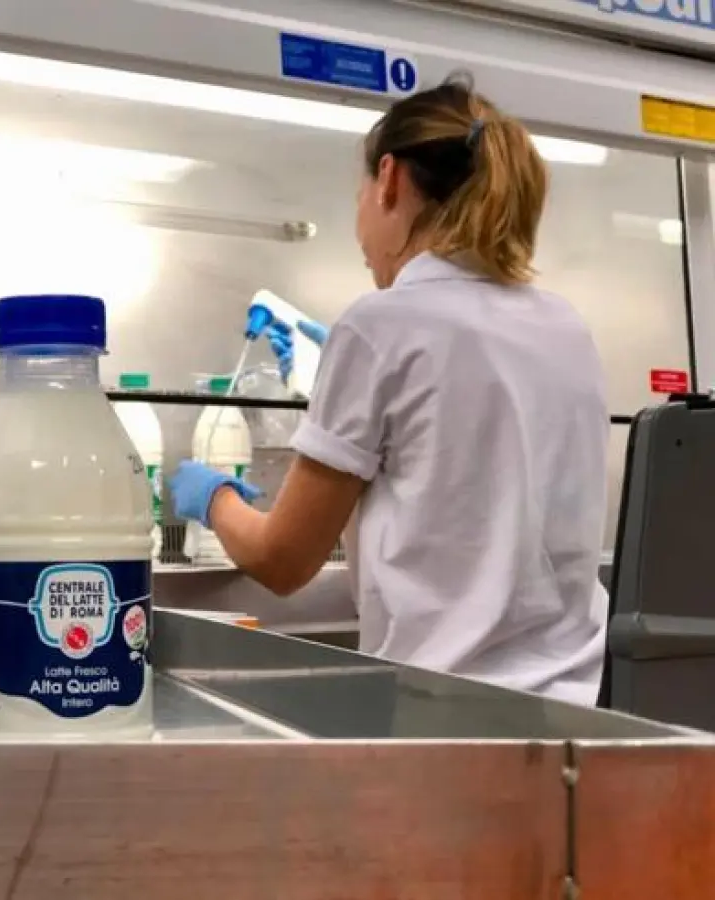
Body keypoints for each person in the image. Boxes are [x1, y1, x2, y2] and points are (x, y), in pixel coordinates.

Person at [169, 75, 610, 706]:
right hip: (579, 712)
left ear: (389, 179)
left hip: (447, 715)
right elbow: (462, 472)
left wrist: (211, 497)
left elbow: (283, 561)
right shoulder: (565, 325)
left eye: (358, 196)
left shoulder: (380, 326)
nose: (360, 231)